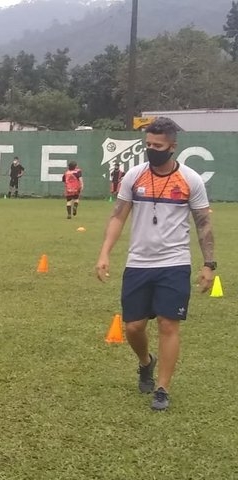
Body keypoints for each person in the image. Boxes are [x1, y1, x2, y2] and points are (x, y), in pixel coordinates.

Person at [95, 117, 215, 411]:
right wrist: (104, 252)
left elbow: (203, 224)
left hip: (175, 263)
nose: (152, 150)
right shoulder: (134, 176)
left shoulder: (190, 180)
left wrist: (209, 264)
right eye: (148, 144)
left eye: (158, 146)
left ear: (172, 147)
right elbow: (118, 216)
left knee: (167, 324)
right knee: (133, 327)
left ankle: (162, 388)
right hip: (138, 263)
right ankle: (146, 362)